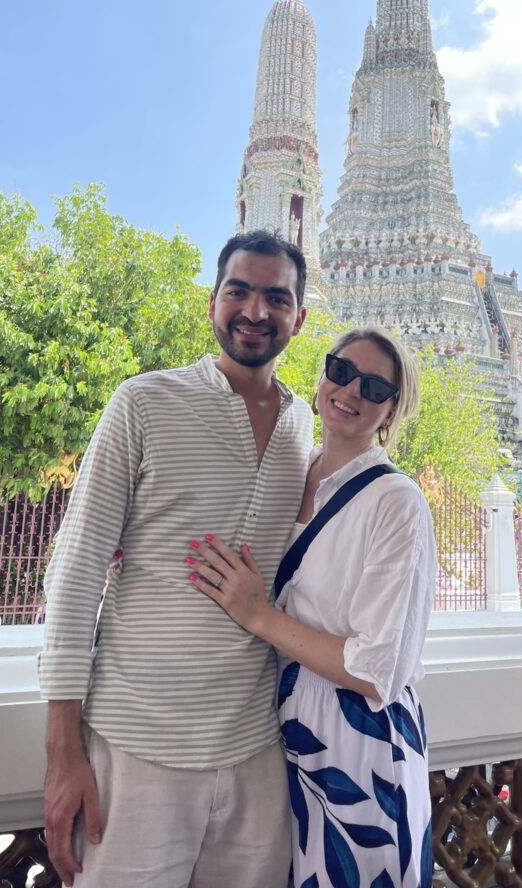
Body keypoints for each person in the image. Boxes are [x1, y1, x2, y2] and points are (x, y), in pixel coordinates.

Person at [38, 230, 313, 888]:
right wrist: (62, 751)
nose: (255, 310)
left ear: (298, 319)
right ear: (211, 301)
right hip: (136, 747)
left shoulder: (304, 428)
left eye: (277, 298)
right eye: (239, 291)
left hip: (255, 747)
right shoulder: (143, 402)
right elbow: (76, 571)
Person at [186, 328, 436, 888]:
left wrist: (259, 616)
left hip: (358, 746)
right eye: (341, 370)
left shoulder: (398, 502)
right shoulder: (291, 470)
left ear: (391, 410)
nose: (350, 391)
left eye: (373, 387)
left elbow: (377, 669)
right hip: (277, 738)